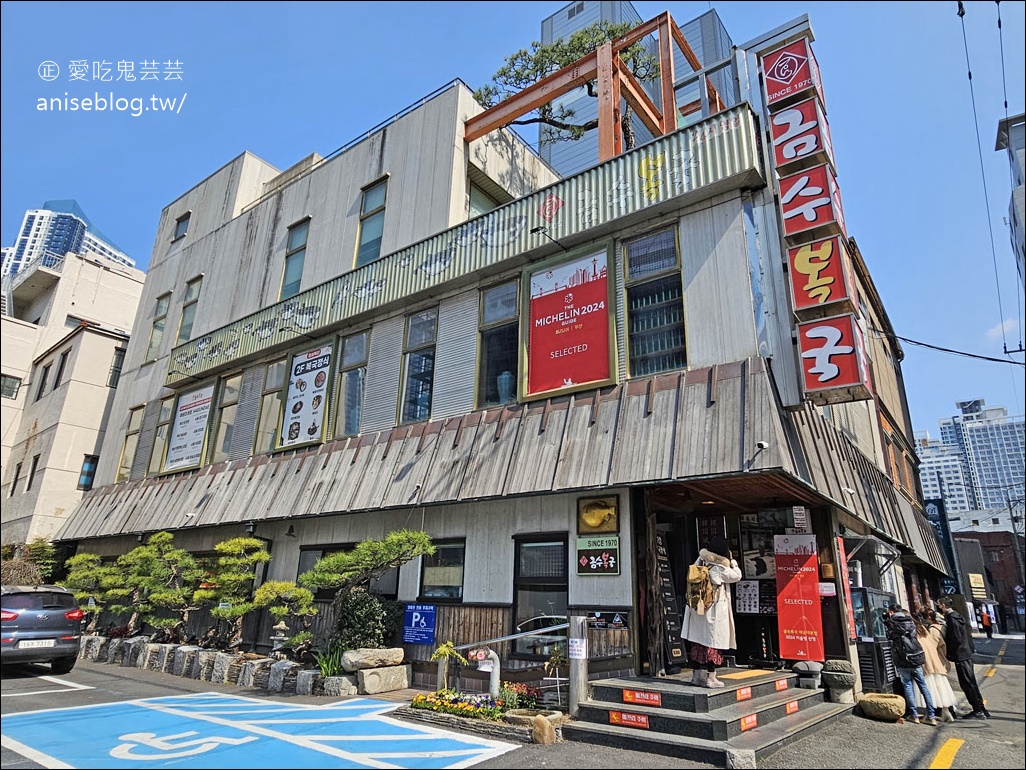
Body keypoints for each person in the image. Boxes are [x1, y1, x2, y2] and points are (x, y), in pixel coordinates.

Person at [680, 535, 742, 688]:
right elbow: (737, 576)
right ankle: (711, 678)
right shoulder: (720, 567)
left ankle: (696, 676)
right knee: (712, 643)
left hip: (697, 607)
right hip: (713, 610)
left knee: (697, 642)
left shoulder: (700, 560)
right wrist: (733, 562)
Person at [937, 596, 990, 719]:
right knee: (970, 682)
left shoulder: (952, 618)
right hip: (964, 653)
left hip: (961, 654)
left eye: (939, 604)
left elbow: (956, 637)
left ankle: (978, 709)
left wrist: (950, 652)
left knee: (967, 683)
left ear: (943, 606)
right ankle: (980, 708)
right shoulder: (955, 616)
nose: (938, 607)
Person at [885, 605, 938, 725]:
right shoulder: (910, 621)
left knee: (908, 686)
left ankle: (914, 715)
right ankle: (931, 715)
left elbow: (889, 637)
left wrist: (887, 622)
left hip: (902, 659)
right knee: (923, 686)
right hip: (915, 657)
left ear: (891, 612)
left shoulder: (892, 623)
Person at [914, 611, 958, 722]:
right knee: (939, 687)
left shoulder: (918, 632)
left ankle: (930, 715)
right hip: (936, 662)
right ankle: (946, 712)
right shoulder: (924, 630)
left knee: (929, 688)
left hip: (927, 663)